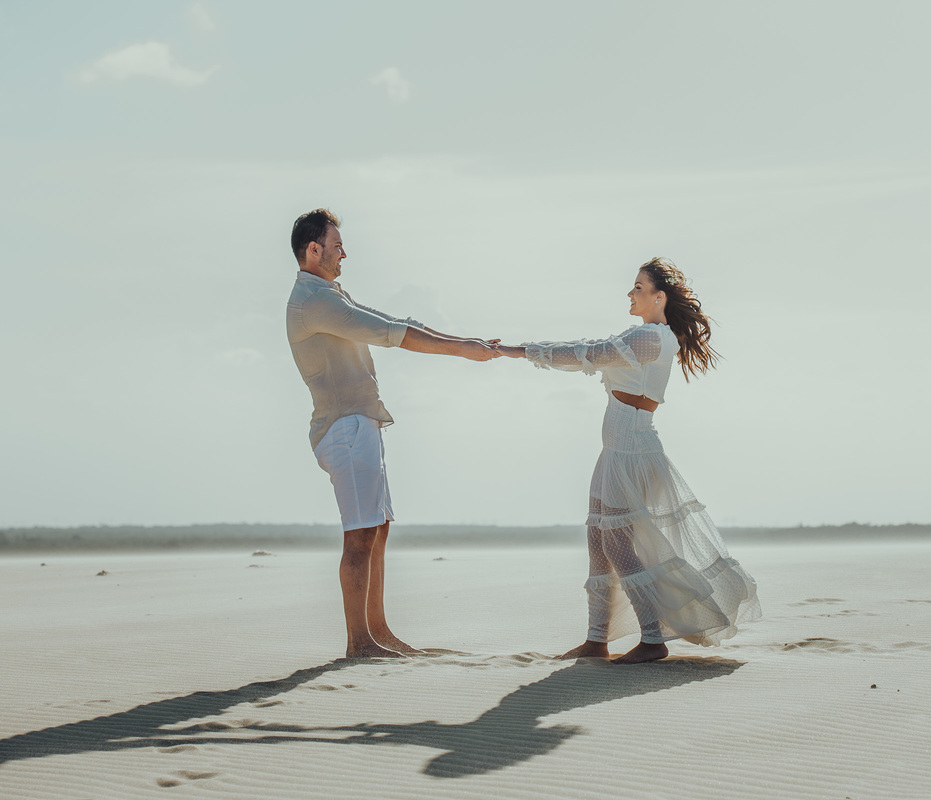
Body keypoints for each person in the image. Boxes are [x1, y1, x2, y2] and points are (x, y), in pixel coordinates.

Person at [496, 258, 761, 664]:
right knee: (598, 543)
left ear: (660, 297)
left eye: (638, 287)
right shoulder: (648, 336)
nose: (630, 293)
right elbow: (590, 350)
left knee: (617, 544)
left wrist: (519, 351)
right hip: (617, 451)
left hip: (632, 451)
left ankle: (653, 639)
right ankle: (596, 639)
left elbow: (589, 353)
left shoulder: (651, 338)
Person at [286, 209, 499, 658]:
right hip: (342, 427)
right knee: (360, 535)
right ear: (313, 249)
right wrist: (463, 352)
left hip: (360, 423)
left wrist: (467, 342)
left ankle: (378, 631)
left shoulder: (330, 293)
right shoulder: (314, 301)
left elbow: (396, 320)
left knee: (378, 530)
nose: (345, 252)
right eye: (338, 245)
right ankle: (359, 641)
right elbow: (390, 333)